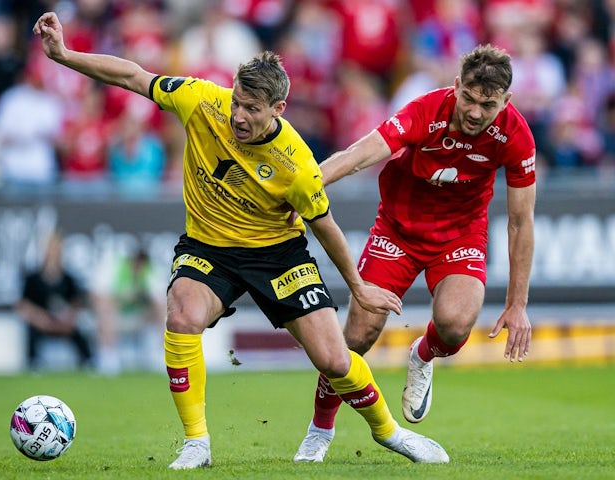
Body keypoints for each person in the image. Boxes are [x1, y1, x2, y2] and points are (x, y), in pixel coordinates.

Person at [33, 11, 449, 470]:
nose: (238, 116)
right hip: (208, 248)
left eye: (252, 108)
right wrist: (65, 55)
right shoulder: (200, 100)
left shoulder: (297, 164)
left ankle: (389, 432)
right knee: (182, 312)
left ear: (279, 110)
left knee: (333, 359)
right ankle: (196, 443)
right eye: (237, 102)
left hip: (278, 255)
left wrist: (358, 287)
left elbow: (324, 225)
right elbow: (134, 75)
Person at [293, 44, 537, 462]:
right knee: (356, 338)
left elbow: (520, 222)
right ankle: (320, 428)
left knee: (457, 324)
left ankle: (422, 356)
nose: (476, 112)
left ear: (506, 101)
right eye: (469, 99)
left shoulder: (516, 136)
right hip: (398, 231)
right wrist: (305, 188)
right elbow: (359, 155)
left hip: (460, 237)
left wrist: (517, 304)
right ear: (456, 86)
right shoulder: (426, 109)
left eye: (488, 105)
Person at [16, 231, 93, 371]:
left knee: (78, 332)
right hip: (41, 321)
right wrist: (39, 319)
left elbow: (76, 302)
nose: (53, 253)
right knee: (31, 331)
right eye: (50, 249)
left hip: (62, 322)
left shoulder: (68, 278)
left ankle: (87, 362)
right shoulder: (33, 278)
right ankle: (32, 363)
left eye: (56, 248)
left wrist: (68, 317)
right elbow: (23, 305)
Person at [91, 249, 166, 375]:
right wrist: (122, 298)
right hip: (118, 317)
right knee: (105, 309)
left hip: (141, 317)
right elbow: (98, 296)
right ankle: (109, 358)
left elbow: (159, 298)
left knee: (162, 308)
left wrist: (141, 295)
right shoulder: (116, 270)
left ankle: (162, 353)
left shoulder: (149, 272)